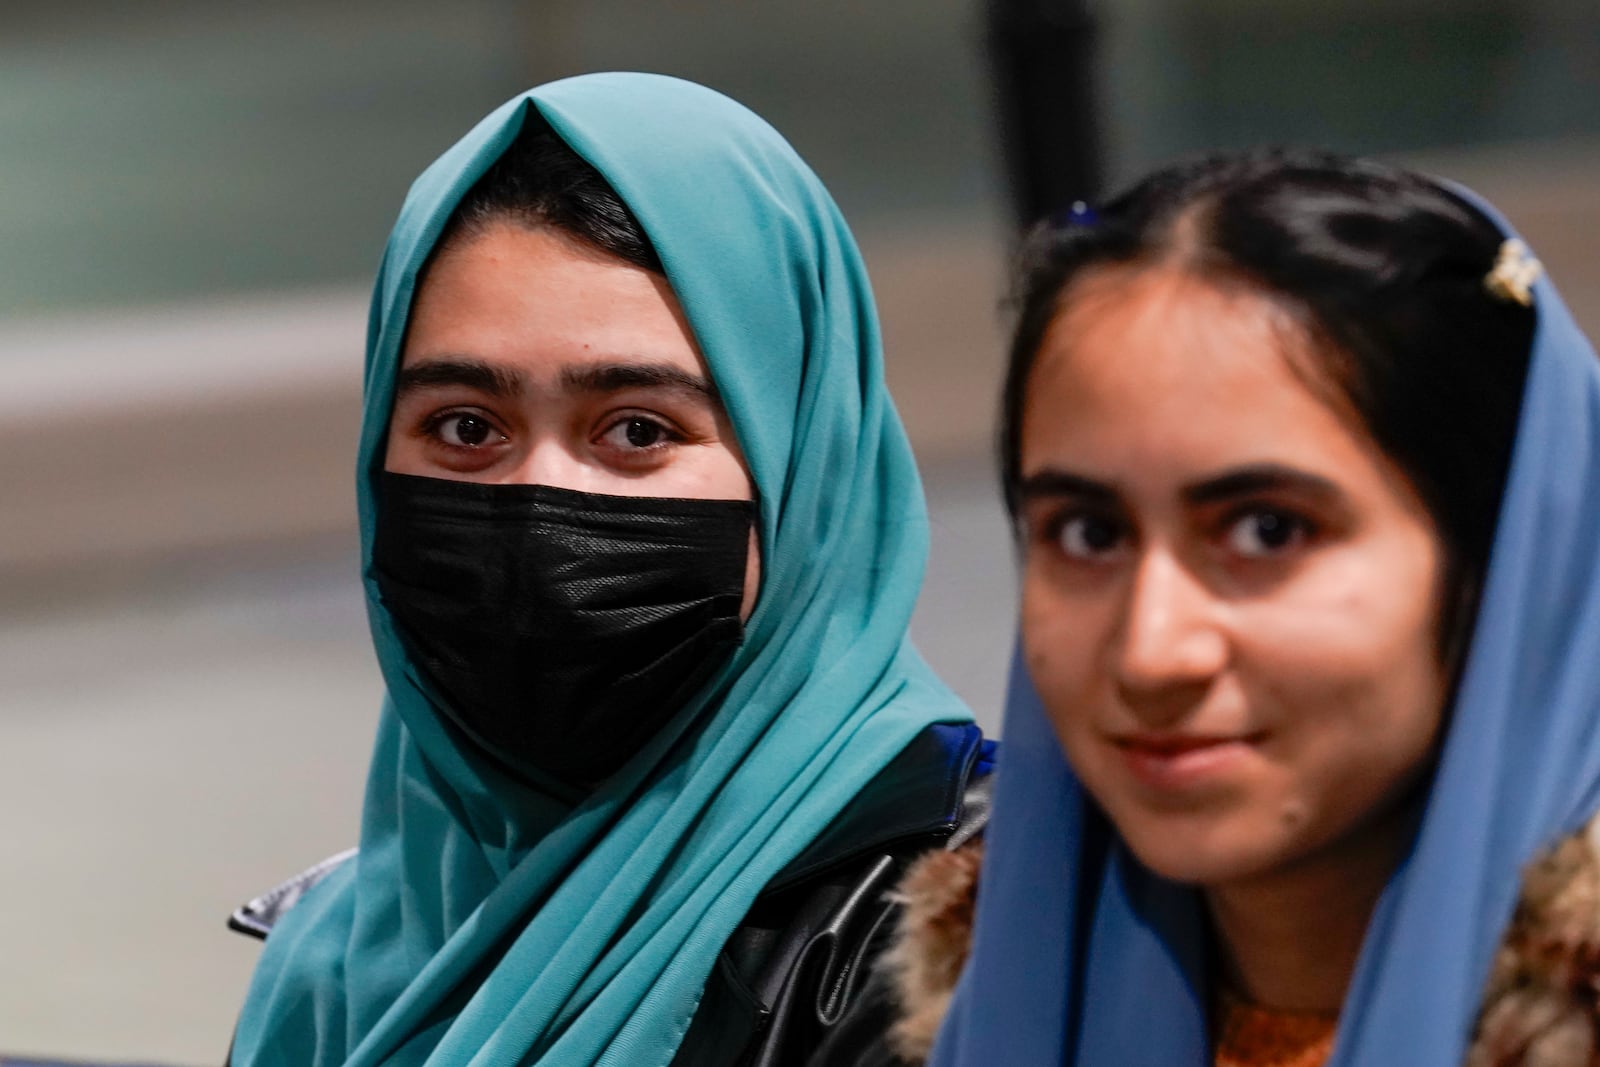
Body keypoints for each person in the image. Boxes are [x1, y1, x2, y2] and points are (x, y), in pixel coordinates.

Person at [224, 73, 988, 1067]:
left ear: (804, 464)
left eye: (637, 428)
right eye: (465, 426)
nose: (540, 502)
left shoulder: (961, 931)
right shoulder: (340, 951)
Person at [855, 150, 1600, 1066]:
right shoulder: (1001, 1009)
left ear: (1504, 557)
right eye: (1087, 533)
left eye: (1268, 530)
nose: (1151, 651)